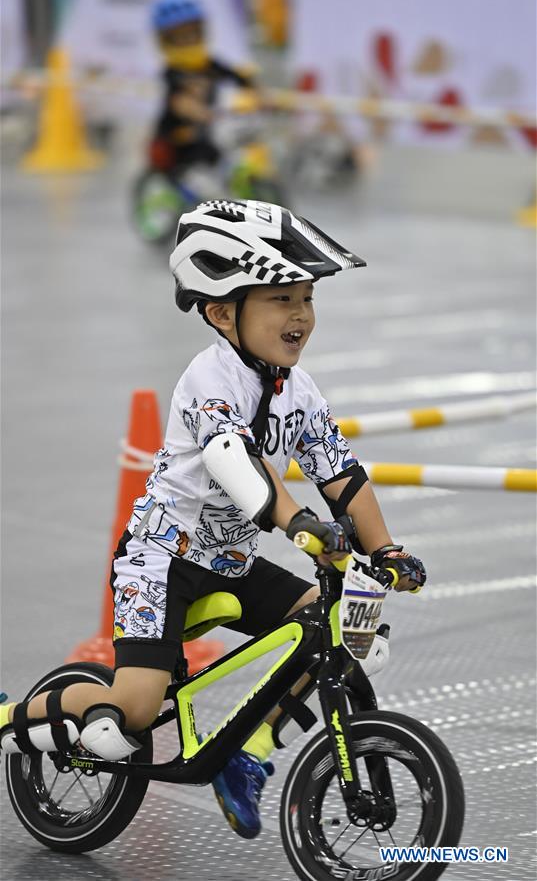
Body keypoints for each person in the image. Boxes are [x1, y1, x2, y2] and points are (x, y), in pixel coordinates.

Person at [0, 200, 426, 840]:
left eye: (307, 298)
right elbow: (235, 461)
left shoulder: (296, 389)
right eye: (282, 298)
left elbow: (343, 474)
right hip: (159, 561)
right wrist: (295, 522)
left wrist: (386, 549)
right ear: (223, 311)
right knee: (132, 716)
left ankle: (247, 755)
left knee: (342, 632)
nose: (302, 315)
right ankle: (9, 719)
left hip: (229, 562)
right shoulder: (210, 377)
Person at [148, 0, 256, 176]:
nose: (188, 40)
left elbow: (239, 78)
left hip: (210, 132)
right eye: (180, 36)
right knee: (205, 164)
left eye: (193, 33)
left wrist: (257, 92)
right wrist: (204, 114)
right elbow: (179, 101)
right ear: (165, 40)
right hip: (178, 140)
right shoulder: (173, 72)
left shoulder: (209, 64)